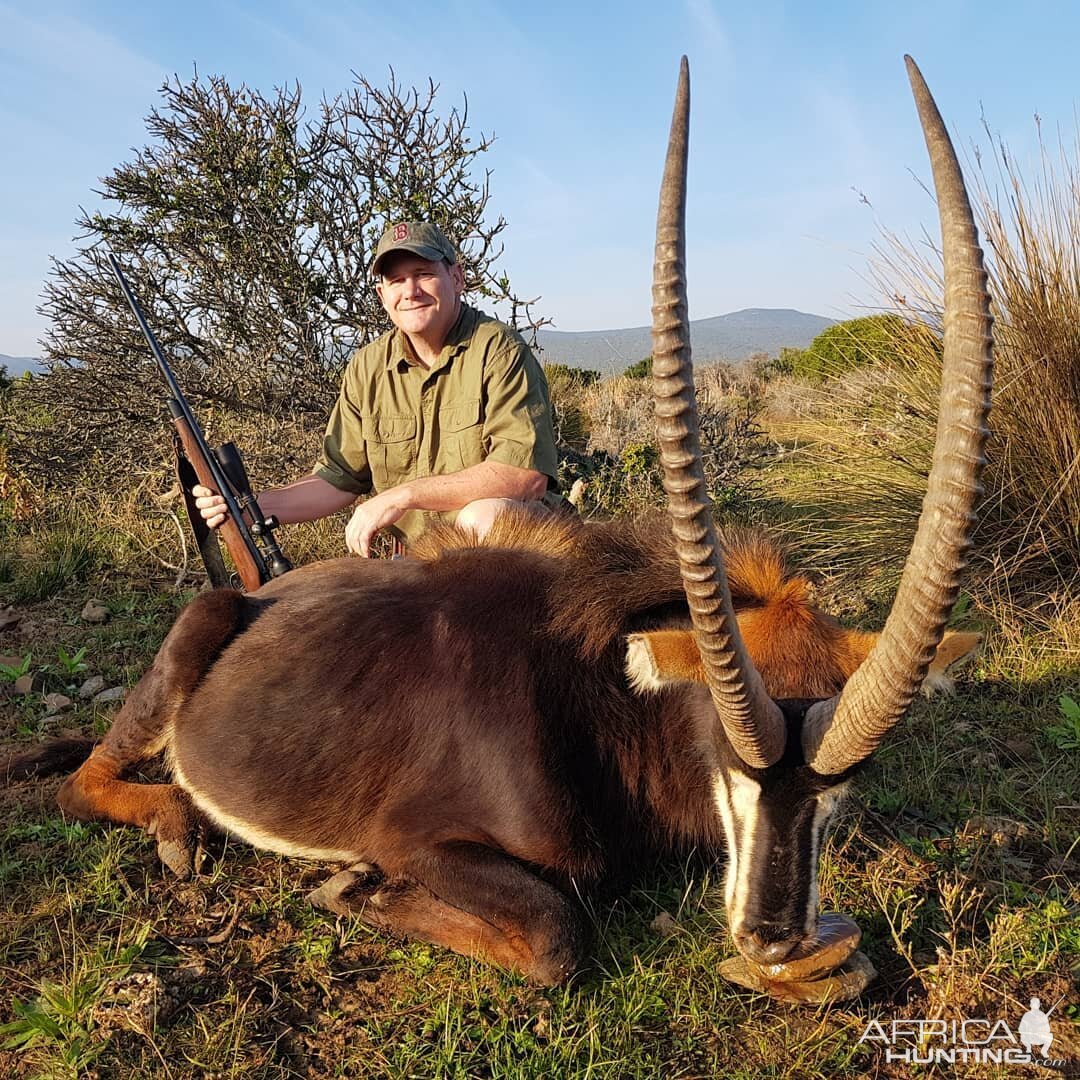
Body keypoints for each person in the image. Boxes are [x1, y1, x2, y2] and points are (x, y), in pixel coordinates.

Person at [194, 221, 561, 556]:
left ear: (457, 277)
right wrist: (251, 508)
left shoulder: (498, 349)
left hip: (519, 553)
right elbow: (338, 478)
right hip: (425, 562)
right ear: (382, 294)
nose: (411, 291)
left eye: (423, 274)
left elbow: (522, 476)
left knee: (484, 516)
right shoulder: (367, 366)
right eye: (396, 281)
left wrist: (403, 496)